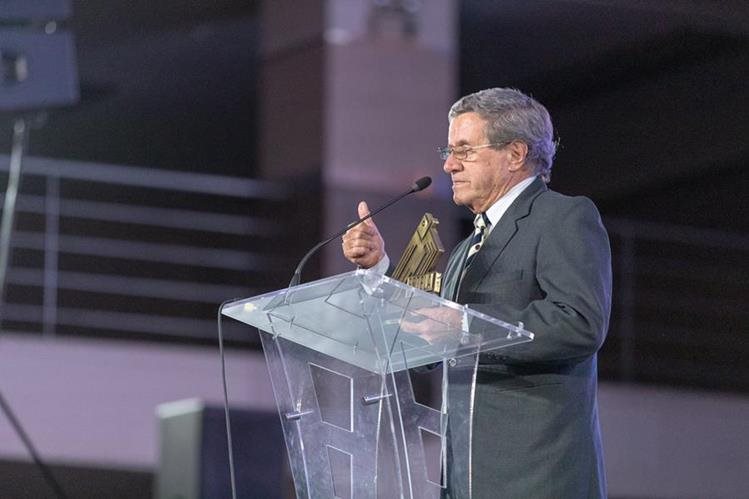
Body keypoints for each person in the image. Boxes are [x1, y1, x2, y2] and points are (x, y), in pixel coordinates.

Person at [341, 87, 611, 498]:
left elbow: (579, 323)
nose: (449, 164)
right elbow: (427, 344)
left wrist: (467, 326)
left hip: (537, 479)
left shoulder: (563, 216)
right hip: (465, 480)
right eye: (448, 151)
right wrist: (379, 269)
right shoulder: (467, 250)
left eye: (464, 150)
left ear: (515, 154)